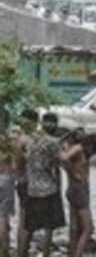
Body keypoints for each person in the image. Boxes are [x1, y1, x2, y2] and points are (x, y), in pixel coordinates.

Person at [19, 112, 65, 257]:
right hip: (49, 190)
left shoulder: (29, 140)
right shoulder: (53, 142)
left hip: (32, 189)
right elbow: (57, 165)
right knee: (48, 228)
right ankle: (45, 254)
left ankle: (22, 253)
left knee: (28, 226)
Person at [61, 132, 96, 257]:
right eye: (93, 149)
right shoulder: (78, 148)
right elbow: (64, 158)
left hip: (76, 190)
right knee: (87, 228)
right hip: (79, 190)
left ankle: (72, 253)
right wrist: (72, 173)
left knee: (74, 228)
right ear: (89, 144)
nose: (93, 153)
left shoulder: (79, 150)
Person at [14, 109, 38, 257]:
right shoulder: (27, 140)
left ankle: (22, 251)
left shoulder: (18, 138)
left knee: (25, 219)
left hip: (21, 181)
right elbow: (24, 161)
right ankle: (22, 252)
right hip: (28, 183)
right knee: (26, 220)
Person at [0, 107, 15, 256]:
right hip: (5, 178)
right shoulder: (9, 139)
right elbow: (14, 164)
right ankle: (4, 250)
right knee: (3, 217)